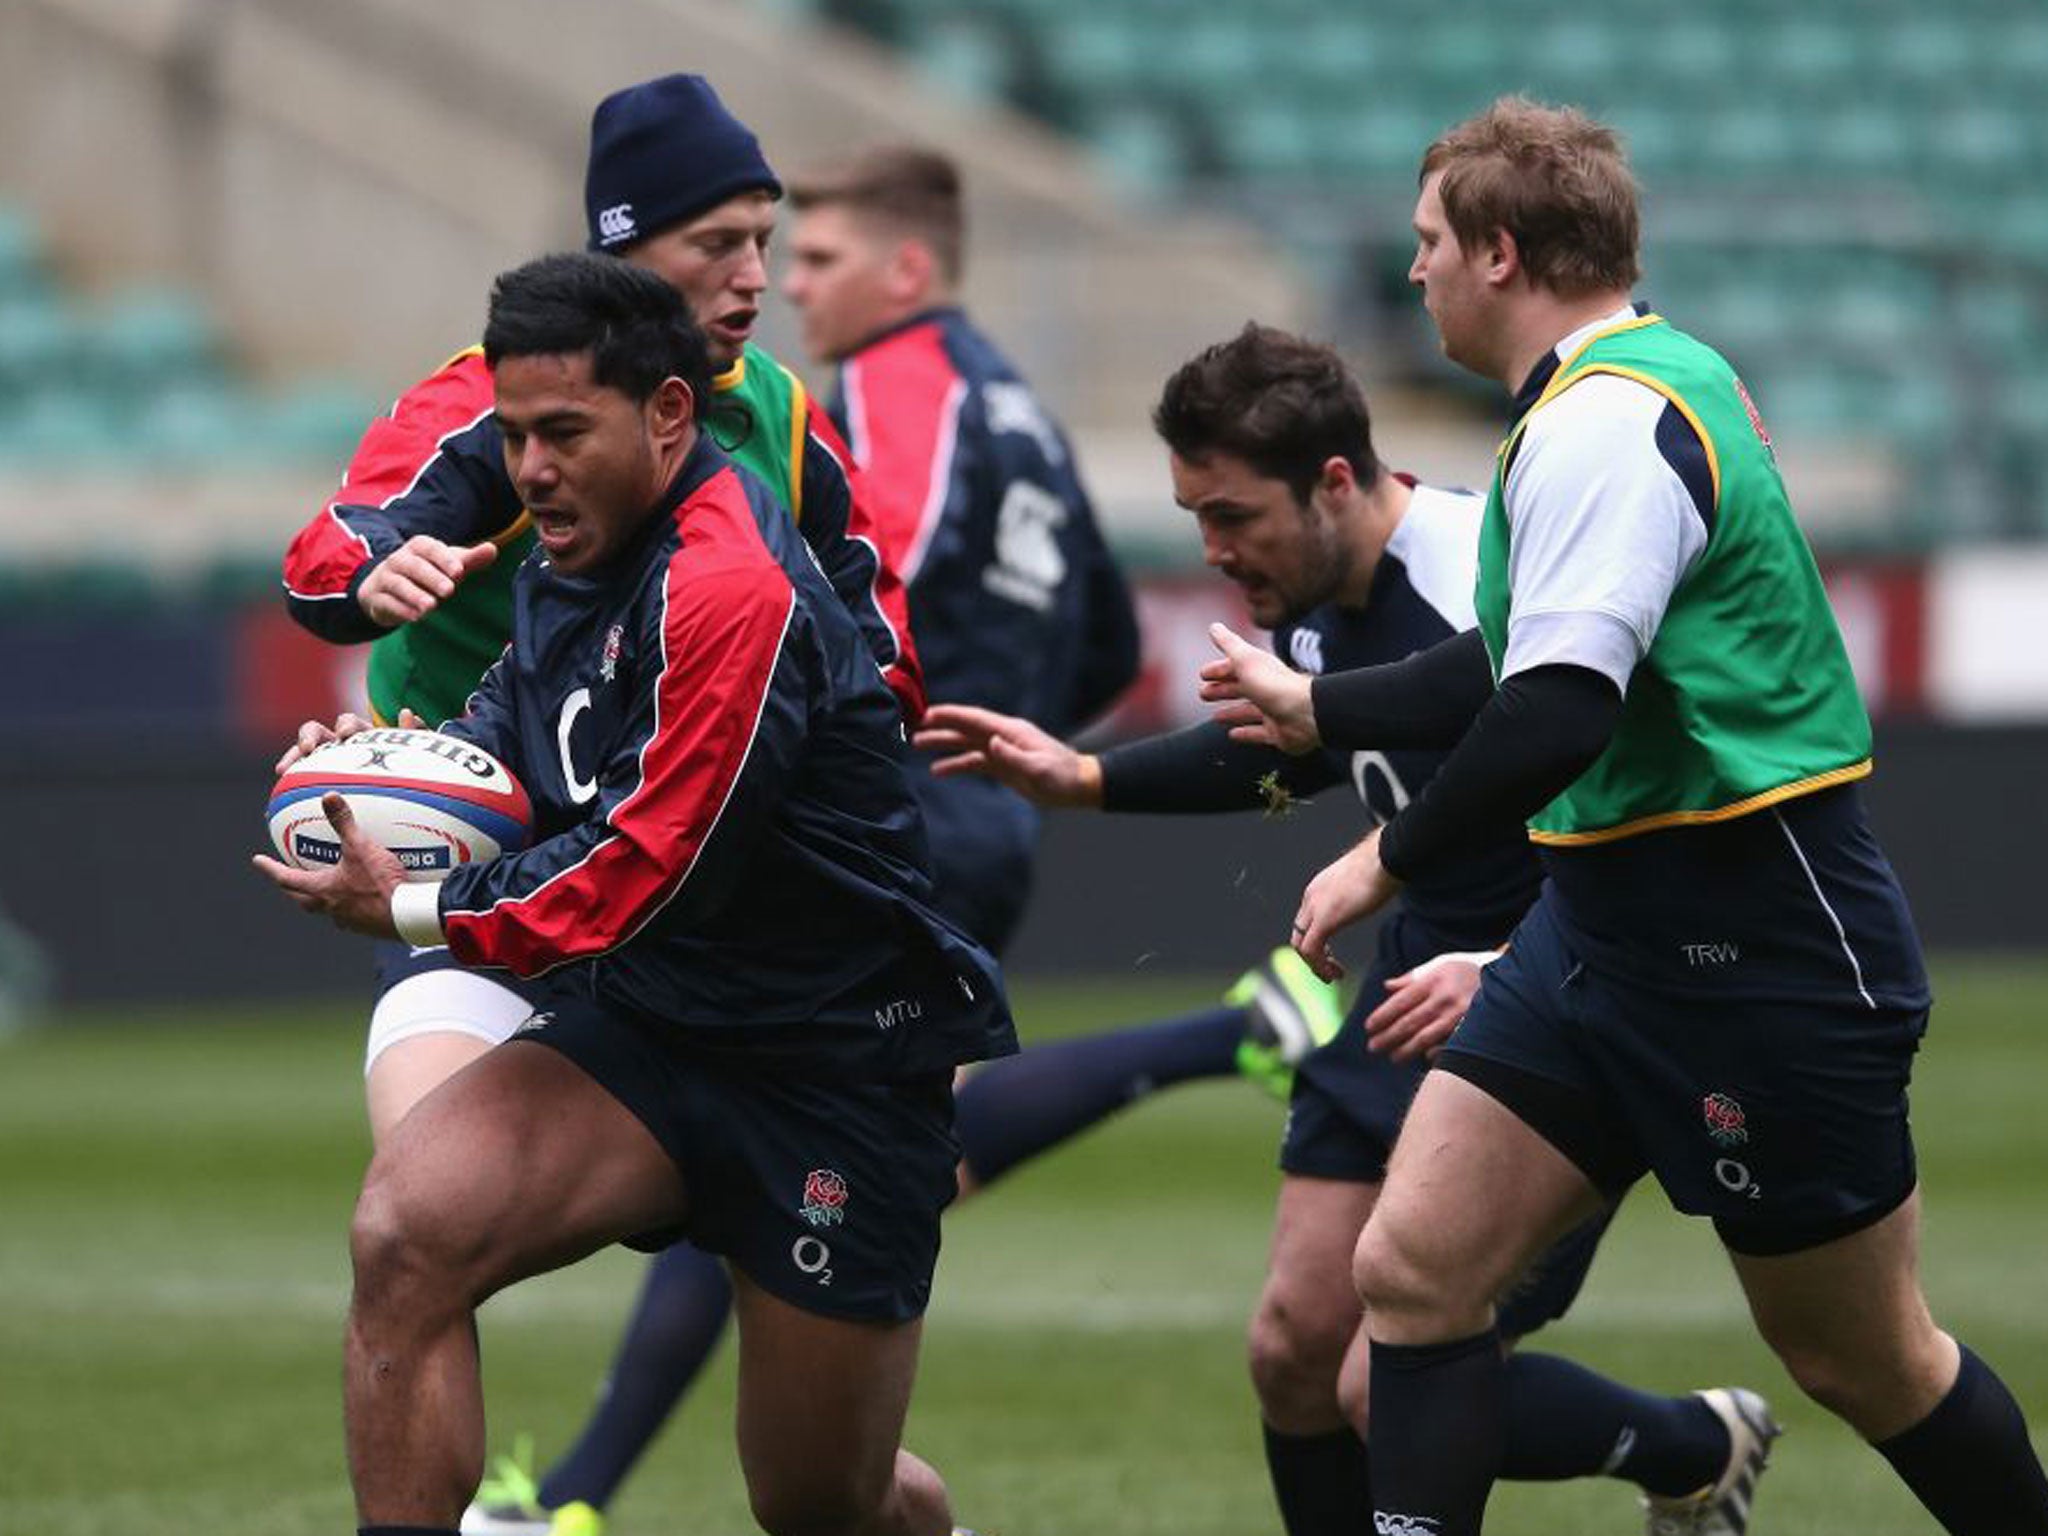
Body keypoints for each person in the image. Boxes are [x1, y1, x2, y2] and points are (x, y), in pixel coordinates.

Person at [1201, 99, 2048, 1536]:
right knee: (1412, 1273)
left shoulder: (1605, 421)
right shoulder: (1621, 391)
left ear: (1502, 251)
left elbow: (1555, 714)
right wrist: (1326, 715)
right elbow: (1523, 657)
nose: (1414, 275)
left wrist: (1382, 862)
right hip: (1602, 937)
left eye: (1427, 246)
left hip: (1755, 939)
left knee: (1858, 1354)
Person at [468, 148, 1337, 1536]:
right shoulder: (1018, 399)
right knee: (827, 1134)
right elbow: (1111, 632)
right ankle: (1225, 1035)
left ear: (909, 270)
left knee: (765, 1104)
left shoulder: (897, 385)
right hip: (973, 800)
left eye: (816, 262)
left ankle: (572, 1495)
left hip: (876, 803)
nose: (784, 286)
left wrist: (879, 726)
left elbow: (878, 563)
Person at [916, 322, 1776, 1536]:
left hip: (1557, 1013)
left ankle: (1692, 1442)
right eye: (1194, 517)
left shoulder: (1483, 572)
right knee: (1289, 1349)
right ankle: (1693, 1445)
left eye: (1230, 516)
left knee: (1383, 1384)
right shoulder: (1320, 596)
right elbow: (1303, 745)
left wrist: (1499, 963)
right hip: (1399, 1002)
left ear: (1331, 482)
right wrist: (1087, 780)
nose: (1212, 552)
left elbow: (1620, 789)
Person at [255, 252, 1013, 1536]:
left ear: (667, 415)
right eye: (512, 436)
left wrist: (418, 910)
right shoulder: (567, 544)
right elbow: (505, 734)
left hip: (828, 1061)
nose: (531, 469)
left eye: (563, 434)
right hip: (651, 1030)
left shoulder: (729, 587)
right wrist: (367, 780)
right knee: (406, 1234)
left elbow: (641, 869)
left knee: (823, 1502)